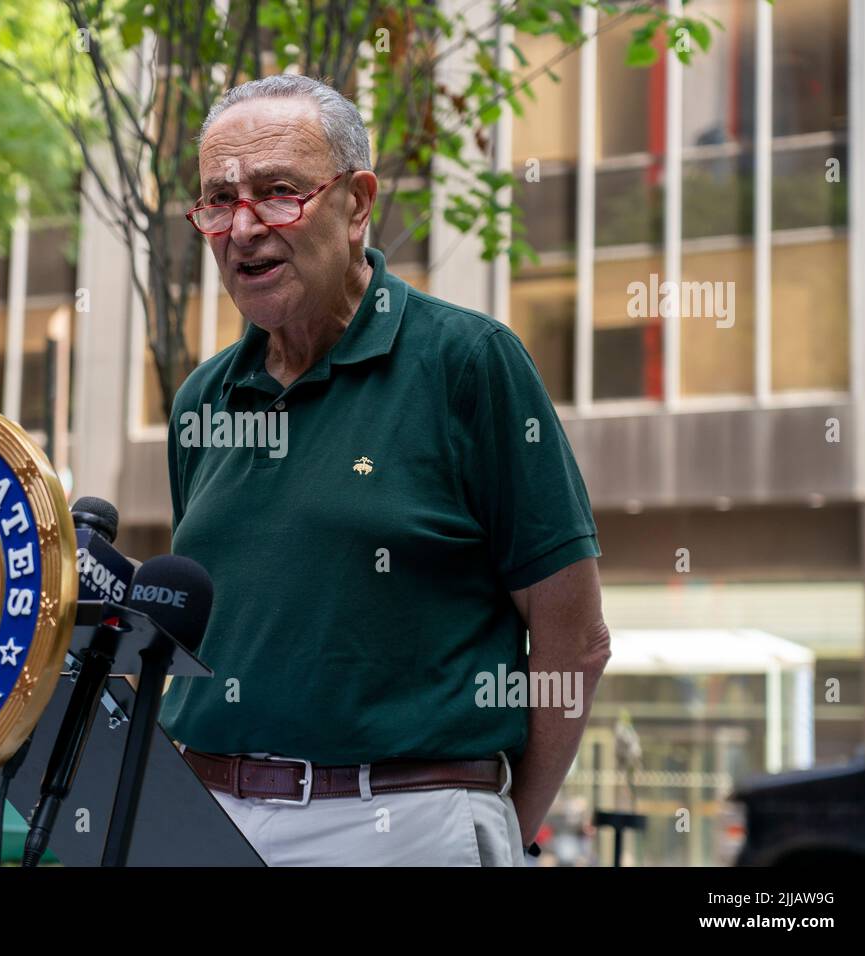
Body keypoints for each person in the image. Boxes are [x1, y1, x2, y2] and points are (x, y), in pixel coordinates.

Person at [159, 74, 610, 866]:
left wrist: (493, 817)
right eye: (219, 200)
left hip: (400, 824)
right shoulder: (204, 397)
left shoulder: (469, 364)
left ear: (358, 203)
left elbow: (574, 640)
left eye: (277, 193)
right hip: (202, 819)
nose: (243, 228)